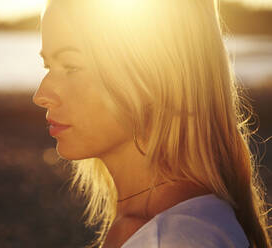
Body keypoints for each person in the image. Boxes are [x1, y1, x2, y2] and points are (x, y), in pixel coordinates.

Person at [32, 0, 271, 247]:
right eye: (48, 66)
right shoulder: (168, 226)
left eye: (71, 66)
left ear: (155, 76)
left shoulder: (173, 238)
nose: (41, 95)